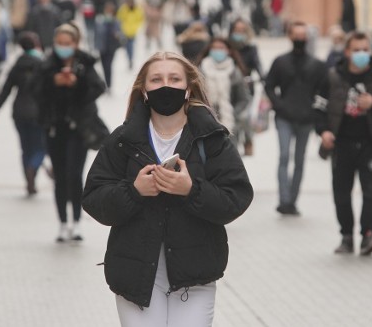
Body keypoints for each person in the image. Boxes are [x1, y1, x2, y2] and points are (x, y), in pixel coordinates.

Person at [82, 51, 253, 326]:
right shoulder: (124, 140)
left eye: (174, 79)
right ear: (144, 90)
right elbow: (93, 198)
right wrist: (134, 191)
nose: (166, 86)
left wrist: (191, 190)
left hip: (194, 275)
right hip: (135, 275)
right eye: (156, 79)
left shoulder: (211, 139)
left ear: (189, 88)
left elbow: (237, 198)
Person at [314, 31, 372, 255]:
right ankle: (347, 236)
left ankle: (368, 236)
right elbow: (319, 108)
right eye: (356, 50)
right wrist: (323, 132)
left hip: (370, 143)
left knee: (369, 192)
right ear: (347, 52)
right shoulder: (334, 76)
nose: (361, 54)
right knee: (341, 192)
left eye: (365, 49)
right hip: (341, 143)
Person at [35, 22, 106, 242]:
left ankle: (76, 221)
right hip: (55, 127)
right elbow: (34, 90)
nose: (63, 47)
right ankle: (62, 222)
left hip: (79, 129)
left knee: (75, 175)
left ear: (75, 44)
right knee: (60, 175)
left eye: (68, 43)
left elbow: (98, 87)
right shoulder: (47, 65)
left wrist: (78, 83)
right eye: (60, 43)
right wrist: (53, 82)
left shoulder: (85, 64)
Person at [265, 21, 327, 215]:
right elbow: (269, 86)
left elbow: (324, 91)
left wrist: (316, 113)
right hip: (284, 116)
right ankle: (283, 199)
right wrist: (278, 104)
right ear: (290, 37)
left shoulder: (317, 65)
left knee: (299, 160)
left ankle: (292, 200)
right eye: (297, 35)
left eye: (303, 35)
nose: (300, 39)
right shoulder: (280, 61)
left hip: (306, 119)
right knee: (284, 156)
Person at [0, 31, 46, 196]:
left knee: (25, 148)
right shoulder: (41, 64)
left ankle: (29, 180)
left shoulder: (16, 66)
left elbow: (5, 91)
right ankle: (32, 170)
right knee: (40, 148)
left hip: (19, 112)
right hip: (37, 113)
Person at [197, 37, 251, 146]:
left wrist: (233, 114)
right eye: (214, 48)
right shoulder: (199, 72)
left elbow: (244, 99)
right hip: (204, 124)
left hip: (230, 124)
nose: (218, 51)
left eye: (221, 48)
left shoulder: (235, 72)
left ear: (228, 50)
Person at [228, 18, 265, 156]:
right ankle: (233, 143)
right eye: (237, 30)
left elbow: (258, 64)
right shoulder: (227, 47)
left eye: (242, 30)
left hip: (247, 87)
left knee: (246, 117)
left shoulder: (251, 48)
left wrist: (262, 76)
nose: (239, 33)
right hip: (229, 87)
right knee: (234, 116)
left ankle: (248, 140)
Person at [95, 1, 123, 90]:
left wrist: (117, 35)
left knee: (108, 66)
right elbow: (97, 34)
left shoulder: (116, 21)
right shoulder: (99, 20)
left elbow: (120, 34)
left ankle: (109, 85)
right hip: (102, 48)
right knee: (104, 66)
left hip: (111, 47)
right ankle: (106, 83)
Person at [116, 0, 144, 70]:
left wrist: (136, 27)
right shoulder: (123, 9)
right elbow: (119, 19)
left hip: (133, 31)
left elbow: (140, 19)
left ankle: (130, 59)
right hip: (125, 31)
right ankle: (129, 58)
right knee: (127, 46)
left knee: (130, 46)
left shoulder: (137, 9)